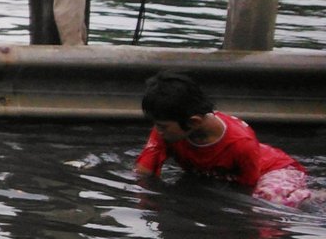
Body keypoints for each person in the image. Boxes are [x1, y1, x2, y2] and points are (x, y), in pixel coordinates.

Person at [136, 71, 318, 209]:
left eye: (161, 126)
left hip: (274, 169)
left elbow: (246, 190)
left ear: (194, 122)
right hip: (221, 173)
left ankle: (318, 196)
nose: (157, 131)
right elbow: (144, 173)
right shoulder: (167, 130)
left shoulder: (240, 144)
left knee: (265, 200)